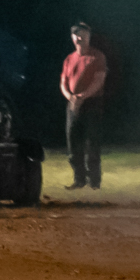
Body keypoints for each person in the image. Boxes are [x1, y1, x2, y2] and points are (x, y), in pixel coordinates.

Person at [60, 22, 108, 190]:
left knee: (92, 142)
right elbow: (63, 83)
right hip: (73, 105)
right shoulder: (69, 58)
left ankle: (94, 181)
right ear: (72, 37)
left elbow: (99, 80)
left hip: (92, 103)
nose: (80, 38)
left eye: (83, 34)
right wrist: (71, 97)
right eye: (76, 35)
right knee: (73, 142)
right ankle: (79, 179)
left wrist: (83, 96)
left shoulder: (97, 56)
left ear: (89, 36)